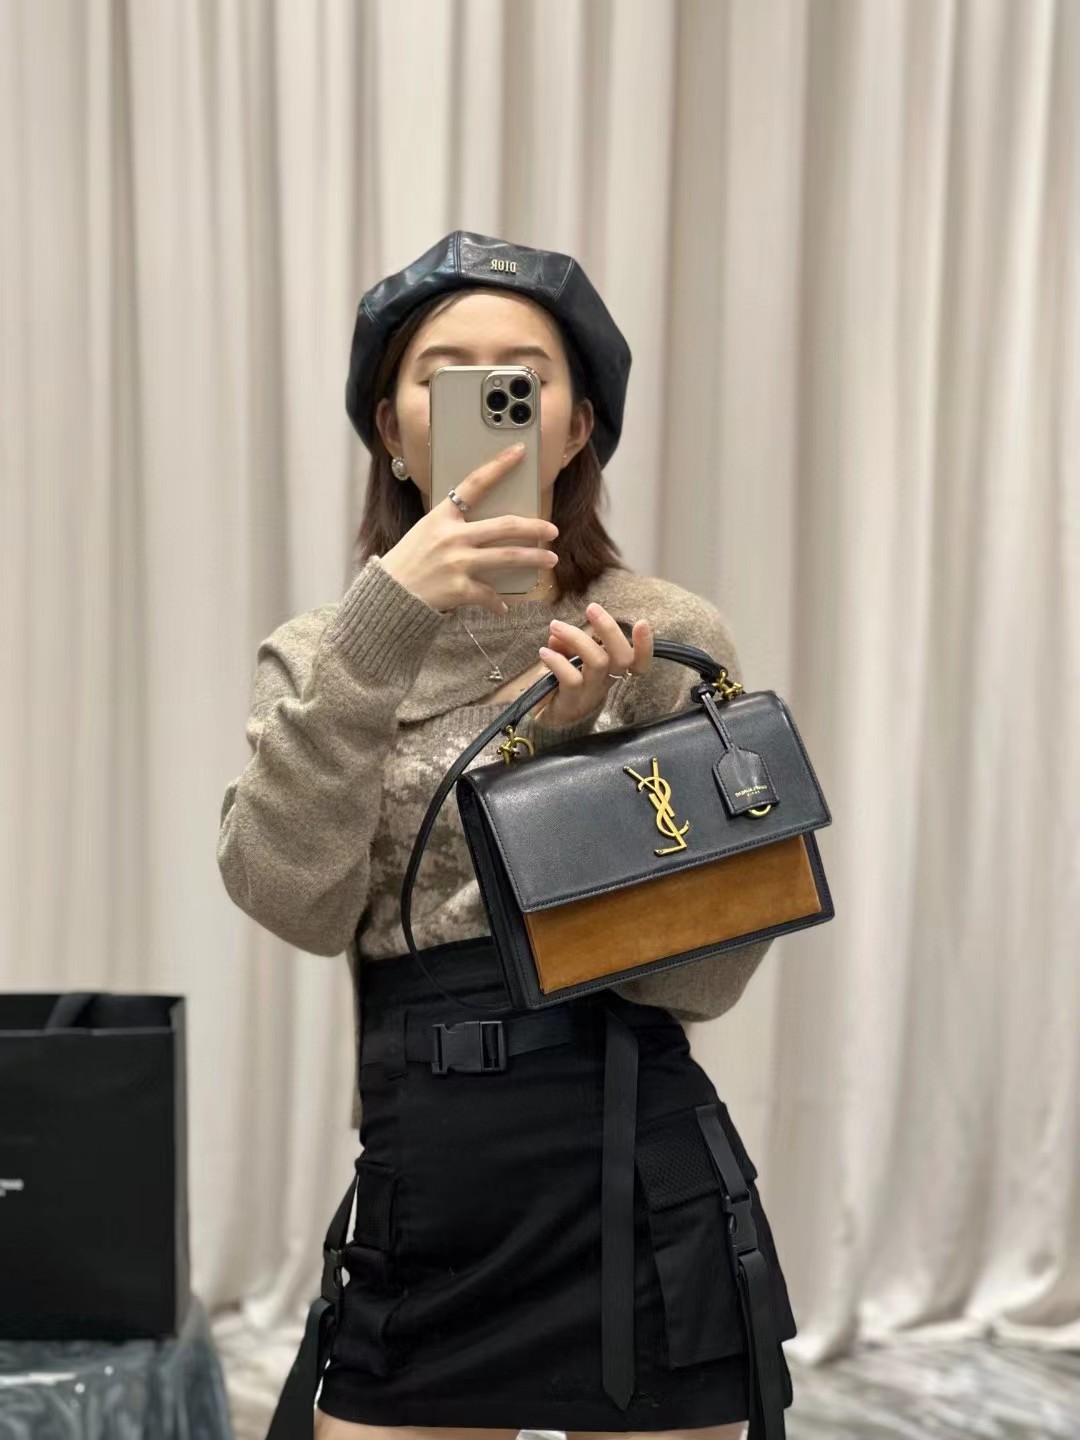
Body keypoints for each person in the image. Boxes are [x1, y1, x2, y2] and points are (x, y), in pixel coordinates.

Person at [217, 231, 797, 1440]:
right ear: (392, 426)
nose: (487, 404)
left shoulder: (658, 636)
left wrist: (572, 765)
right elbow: (292, 900)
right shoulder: (321, 654)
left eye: (521, 380)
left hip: (633, 1174)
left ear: (576, 426)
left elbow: (700, 978)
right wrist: (383, 627)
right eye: (447, 378)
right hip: (430, 1183)